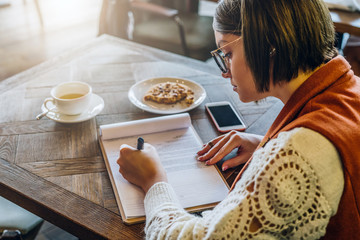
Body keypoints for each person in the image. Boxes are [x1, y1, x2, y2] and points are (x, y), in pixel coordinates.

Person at [117, 0, 360, 239]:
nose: (224, 71)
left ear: (268, 45)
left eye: (228, 53)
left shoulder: (299, 154)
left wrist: (153, 181)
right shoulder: (349, 90)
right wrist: (265, 144)